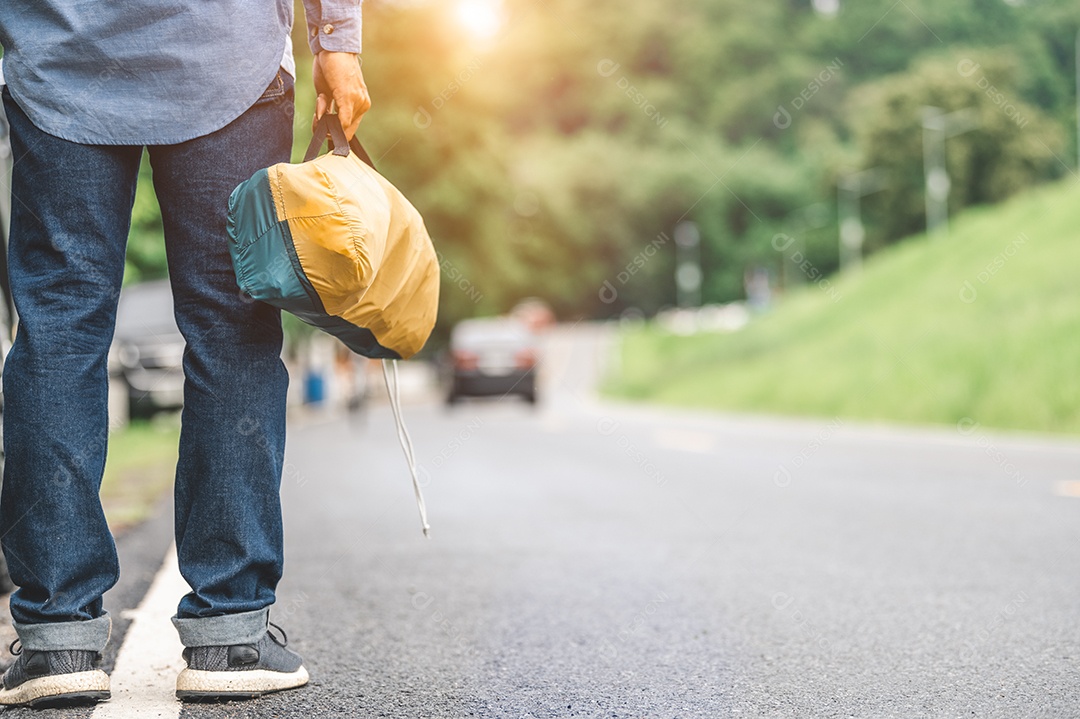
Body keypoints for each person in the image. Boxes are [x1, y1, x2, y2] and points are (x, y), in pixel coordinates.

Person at [0, 0, 370, 707]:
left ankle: (57, 636)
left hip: (62, 56)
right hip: (223, 57)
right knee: (233, 329)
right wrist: (337, 41)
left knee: (57, 331)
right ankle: (231, 634)